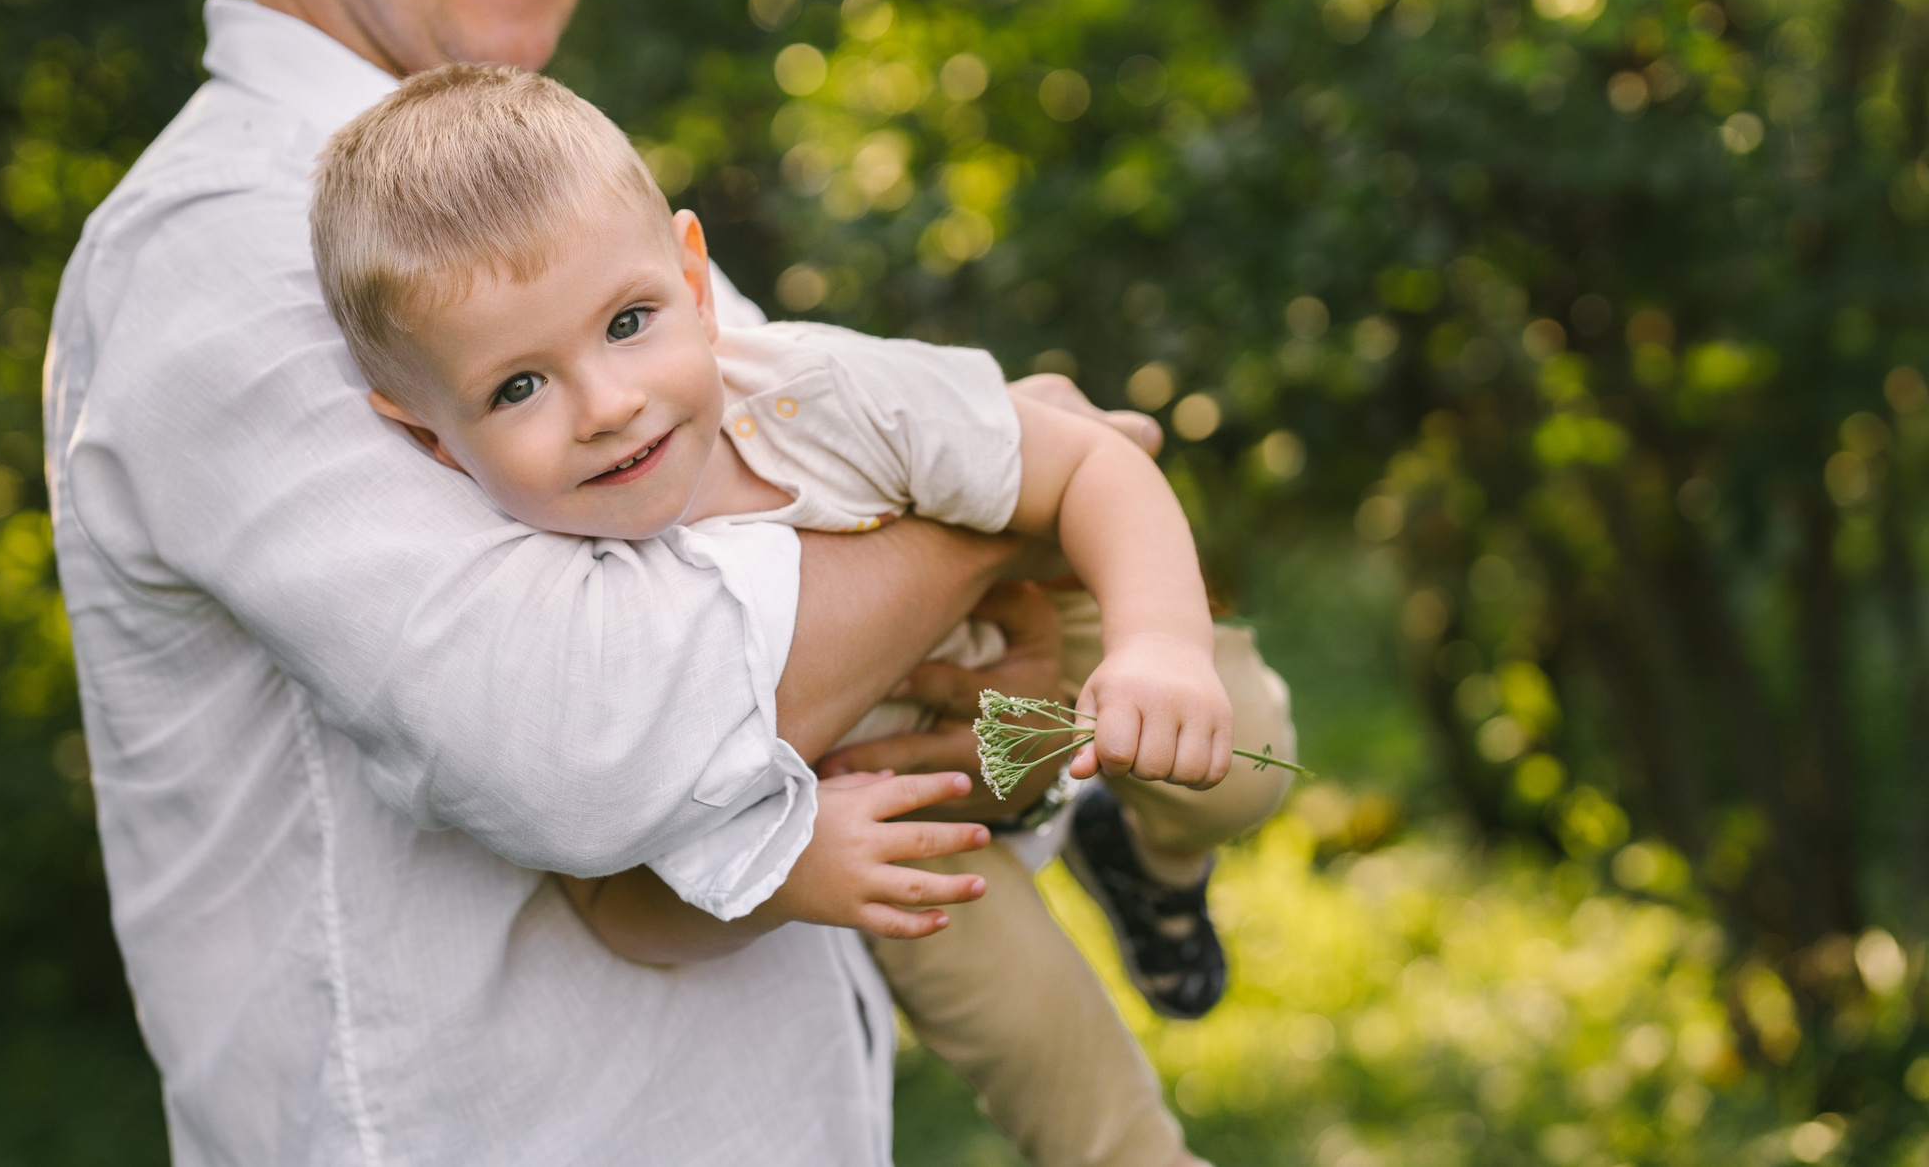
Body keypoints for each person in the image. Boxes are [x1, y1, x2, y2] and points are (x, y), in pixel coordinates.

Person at [41, 0, 1287, 1167]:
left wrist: (1031, 584)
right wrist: (987, 515)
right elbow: (594, 730)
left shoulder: (539, 205)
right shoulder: (230, 253)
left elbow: (835, 649)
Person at [307, 63, 1301, 1163]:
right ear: (429, 439)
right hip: (887, 806)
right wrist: (785, 878)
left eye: (628, 322)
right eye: (517, 388)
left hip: (1046, 625)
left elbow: (1092, 465)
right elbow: (616, 909)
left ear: (692, 280)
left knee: (1240, 761)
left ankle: (1147, 859)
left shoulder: (822, 396)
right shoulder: (556, 617)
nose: (607, 405)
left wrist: (1157, 643)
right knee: (1052, 1066)